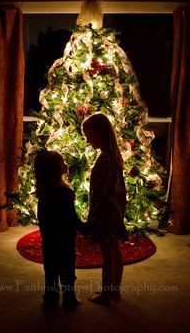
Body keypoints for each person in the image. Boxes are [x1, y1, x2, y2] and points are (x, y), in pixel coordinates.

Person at [82, 113, 129, 306]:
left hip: (105, 213)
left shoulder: (104, 161)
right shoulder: (113, 157)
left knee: (108, 253)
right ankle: (114, 289)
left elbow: (98, 194)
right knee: (114, 250)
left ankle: (107, 294)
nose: (87, 140)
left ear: (101, 134)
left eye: (89, 135)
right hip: (115, 211)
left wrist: (91, 216)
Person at [34, 149, 85, 309]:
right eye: (62, 162)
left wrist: (45, 233)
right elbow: (71, 218)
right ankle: (69, 298)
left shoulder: (42, 191)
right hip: (64, 240)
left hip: (48, 239)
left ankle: (51, 295)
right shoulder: (66, 193)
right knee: (67, 269)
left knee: (50, 269)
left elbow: (42, 218)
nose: (66, 164)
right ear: (56, 169)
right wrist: (85, 228)